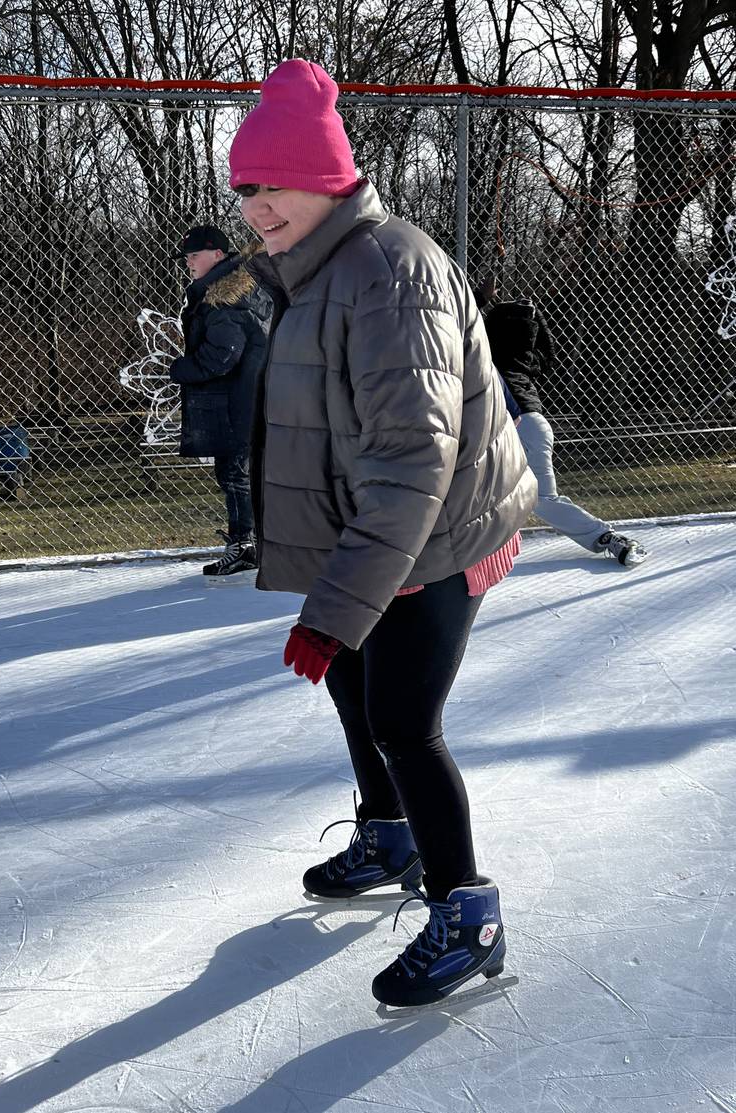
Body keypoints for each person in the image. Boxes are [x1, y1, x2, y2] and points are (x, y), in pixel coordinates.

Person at [228, 59, 537, 1008]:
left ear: (323, 179)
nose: (255, 209)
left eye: (269, 186)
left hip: (438, 532)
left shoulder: (391, 272)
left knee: (404, 718)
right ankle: (389, 830)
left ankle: (467, 909)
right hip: (381, 532)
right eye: (244, 189)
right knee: (356, 691)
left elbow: (413, 459)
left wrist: (336, 607)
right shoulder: (317, 272)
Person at [482, 295, 648, 567]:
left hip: (517, 427)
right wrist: (537, 316)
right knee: (507, 493)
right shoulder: (528, 360)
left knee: (539, 499)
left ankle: (607, 538)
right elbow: (550, 353)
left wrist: (479, 299)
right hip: (535, 427)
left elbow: (465, 329)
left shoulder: (487, 355)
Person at [168, 225, 271, 577]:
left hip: (240, 399)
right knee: (241, 471)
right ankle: (252, 542)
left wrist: (182, 369)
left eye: (194, 256)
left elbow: (224, 354)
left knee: (234, 473)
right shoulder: (227, 289)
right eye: (186, 258)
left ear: (217, 254)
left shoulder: (224, 297)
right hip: (247, 395)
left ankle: (245, 545)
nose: (188, 264)